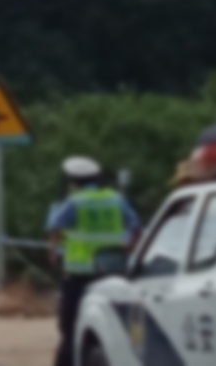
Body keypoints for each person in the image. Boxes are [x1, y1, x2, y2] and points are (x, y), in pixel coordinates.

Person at [47, 156, 138, 366]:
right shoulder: (115, 199)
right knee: (115, 326)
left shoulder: (75, 201)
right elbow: (136, 226)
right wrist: (129, 250)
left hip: (79, 275)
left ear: (72, 181)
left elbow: (54, 226)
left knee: (70, 328)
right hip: (114, 273)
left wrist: (54, 252)